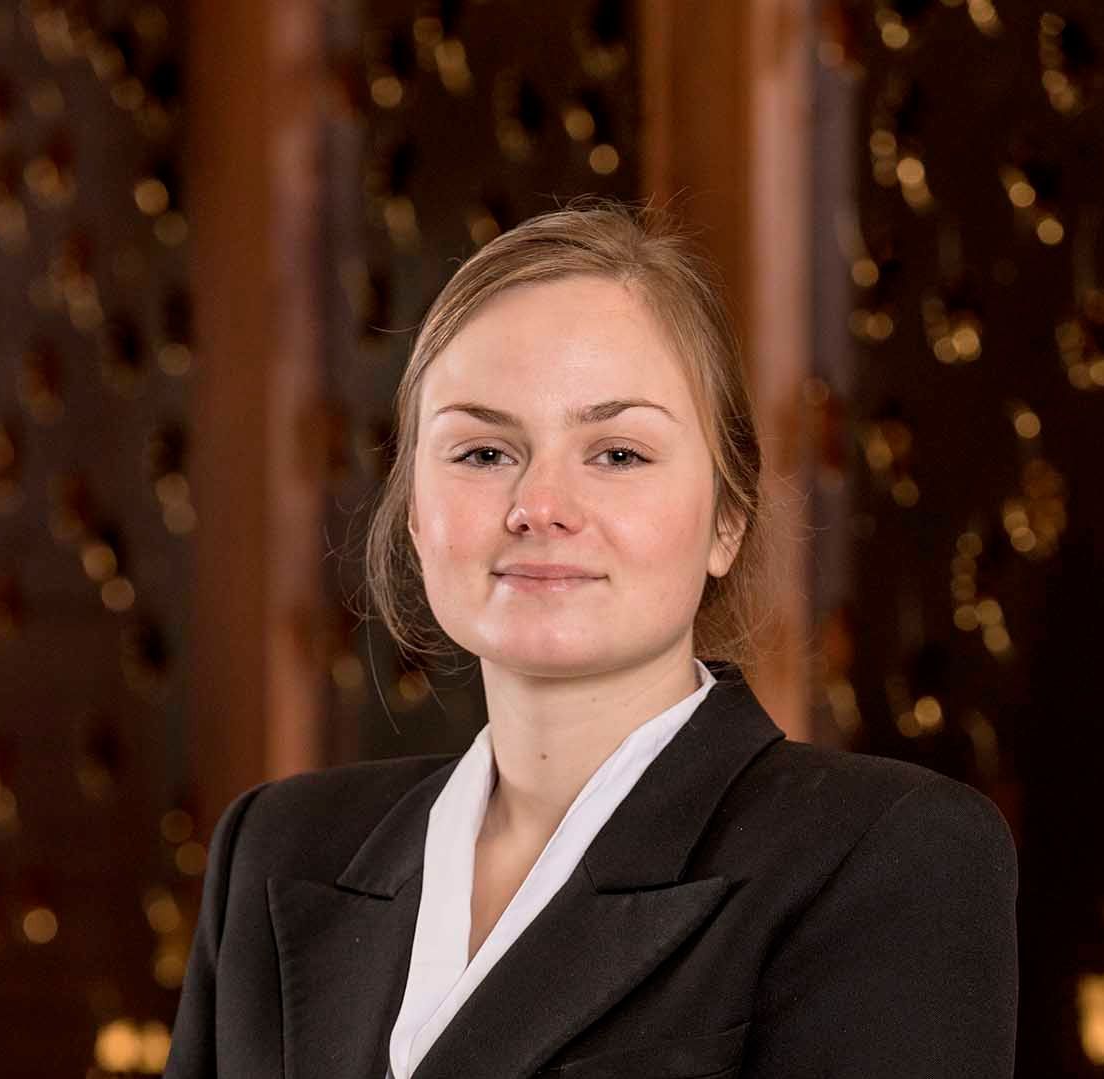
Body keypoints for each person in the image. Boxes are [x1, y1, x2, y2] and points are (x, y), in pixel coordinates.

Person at [163, 199, 1018, 1079]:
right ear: (415, 513)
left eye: (617, 454)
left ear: (728, 517)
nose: (541, 506)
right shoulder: (276, 847)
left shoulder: (885, 855)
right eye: (484, 453)